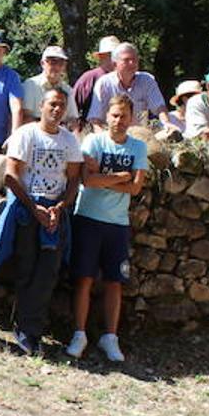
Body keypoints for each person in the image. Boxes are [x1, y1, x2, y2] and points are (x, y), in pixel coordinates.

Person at [0, 89, 83, 355]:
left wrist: (60, 207)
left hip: (55, 210)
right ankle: (24, 328)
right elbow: (11, 175)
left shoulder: (69, 141)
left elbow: (74, 177)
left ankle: (33, 329)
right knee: (27, 265)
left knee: (48, 271)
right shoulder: (26, 134)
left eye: (61, 105)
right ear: (42, 106)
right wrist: (34, 208)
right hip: (28, 207)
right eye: (52, 104)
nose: (56, 110)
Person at [66, 95, 148, 362]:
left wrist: (105, 178)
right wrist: (120, 177)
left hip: (117, 223)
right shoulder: (93, 141)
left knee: (115, 281)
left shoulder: (138, 147)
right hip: (88, 217)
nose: (119, 120)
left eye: (124, 115)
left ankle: (110, 337)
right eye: (114, 115)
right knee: (84, 278)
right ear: (107, 116)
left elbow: (135, 188)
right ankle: (79, 333)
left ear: (131, 118)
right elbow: (87, 181)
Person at [89, 42, 166, 128]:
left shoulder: (147, 80)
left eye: (134, 59)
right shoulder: (104, 84)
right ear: (115, 64)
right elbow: (95, 119)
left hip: (139, 135)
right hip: (111, 134)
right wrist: (101, 138)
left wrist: (166, 124)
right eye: (126, 60)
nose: (132, 63)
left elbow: (160, 107)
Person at [21, 45, 79, 128]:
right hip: (35, 132)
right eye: (52, 62)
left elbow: (73, 119)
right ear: (42, 63)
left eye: (61, 63)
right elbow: (25, 117)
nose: (56, 66)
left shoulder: (68, 89)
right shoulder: (30, 85)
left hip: (61, 133)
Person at [73, 35, 119, 121]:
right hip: (93, 129)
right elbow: (72, 108)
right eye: (111, 55)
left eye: (118, 54)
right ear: (101, 57)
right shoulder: (89, 78)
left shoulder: (126, 78)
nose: (115, 59)